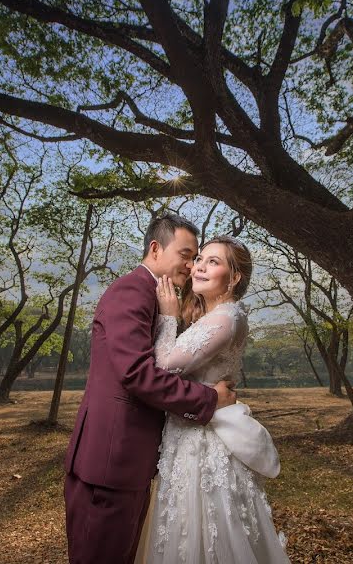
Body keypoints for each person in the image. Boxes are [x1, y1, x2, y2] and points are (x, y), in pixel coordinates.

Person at [63, 214, 238, 564]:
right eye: (186, 255)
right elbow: (138, 374)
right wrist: (209, 399)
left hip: (129, 460)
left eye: (197, 258)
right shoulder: (132, 290)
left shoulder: (157, 295)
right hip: (110, 461)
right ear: (156, 249)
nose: (191, 266)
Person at [137, 235, 290, 564]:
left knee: (206, 530)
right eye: (200, 259)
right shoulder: (215, 316)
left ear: (234, 278)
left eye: (213, 262)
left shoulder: (225, 318)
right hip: (187, 435)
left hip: (202, 445)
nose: (199, 267)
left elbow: (164, 367)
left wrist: (166, 315)